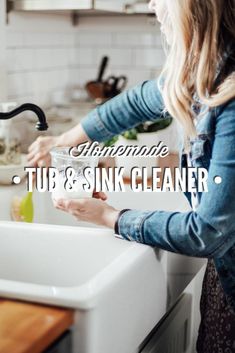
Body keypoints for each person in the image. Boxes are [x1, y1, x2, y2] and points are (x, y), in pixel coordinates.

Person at [27, 0, 235, 351]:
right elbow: (139, 102)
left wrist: (108, 216)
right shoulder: (207, 71)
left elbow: (206, 233)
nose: (152, 3)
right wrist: (65, 140)